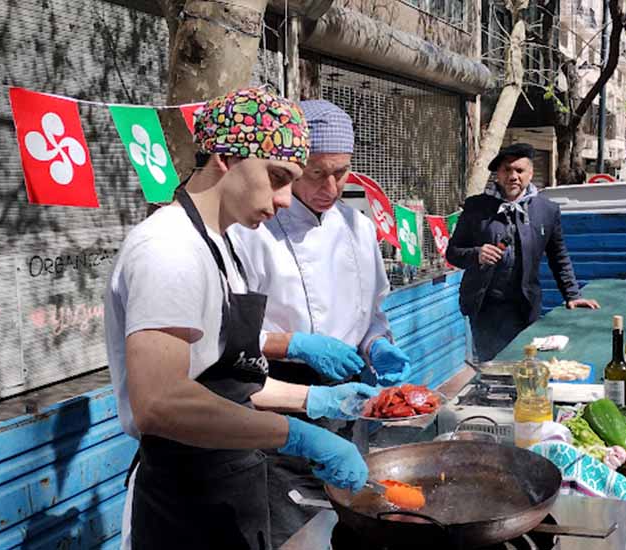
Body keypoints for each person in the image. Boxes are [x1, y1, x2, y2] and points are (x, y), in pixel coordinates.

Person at [104, 88, 378, 550]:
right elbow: (161, 402)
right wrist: (298, 436)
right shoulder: (169, 250)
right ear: (226, 157)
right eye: (277, 177)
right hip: (187, 500)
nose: (287, 199)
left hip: (229, 476)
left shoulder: (219, 246)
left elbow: (227, 379)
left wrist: (318, 401)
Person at [229, 99, 412, 547]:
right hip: (280, 396)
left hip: (347, 396)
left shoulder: (358, 227)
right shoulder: (252, 230)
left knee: (353, 516)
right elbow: (224, 335)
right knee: (295, 526)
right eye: (316, 173)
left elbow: (370, 314)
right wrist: (295, 345)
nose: (330, 186)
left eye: (342, 172)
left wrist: (376, 345)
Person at [446, 143, 599, 362]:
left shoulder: (546, 210)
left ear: (530, 173)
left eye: (519, 170)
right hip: (485, 307)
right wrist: (476, 254)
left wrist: (573, 295)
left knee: (525, 364)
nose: (513, 176)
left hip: (524, 307)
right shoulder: (476, 207)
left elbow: (559, 256)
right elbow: (452, 253)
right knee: (492, 366)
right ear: (498, 174)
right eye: (507, 170)